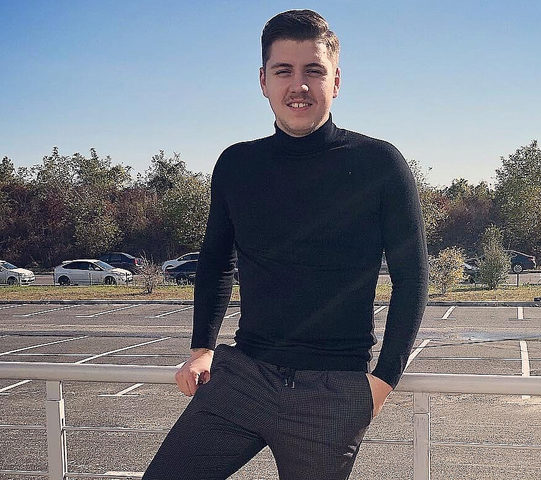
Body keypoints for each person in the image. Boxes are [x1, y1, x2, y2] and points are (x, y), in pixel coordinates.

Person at [143, 9, 428, 480]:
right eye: (283, 71)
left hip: (332, 391)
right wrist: (201, 348)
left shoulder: (380, 165)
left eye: (313, 70)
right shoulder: (236, 164)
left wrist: (383, 381)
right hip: (244, 376)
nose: (299, 86)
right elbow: (216, 261)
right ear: (263, 81)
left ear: (336, 81)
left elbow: (412, 277)